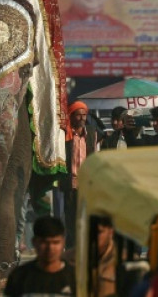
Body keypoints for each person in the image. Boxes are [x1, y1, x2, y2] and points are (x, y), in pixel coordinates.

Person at [4, 216, 76, 296]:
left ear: (63, 243)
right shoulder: (19, 277)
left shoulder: (75, 278)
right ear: (34, 242)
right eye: (44, 242)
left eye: (55, 242)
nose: (50, 248)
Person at [62, 100, 101, 242]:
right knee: (71, 220)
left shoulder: (91, 133)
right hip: (71, 184)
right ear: (71, 116)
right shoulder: (65, 134)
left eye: (84, 115)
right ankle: (72, 251)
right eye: (78, 115)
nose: (82, 118)